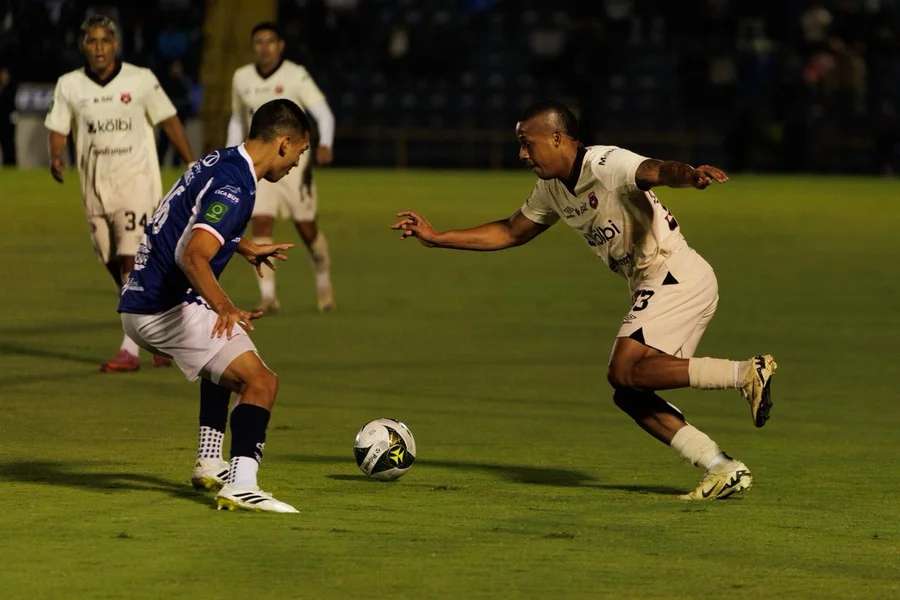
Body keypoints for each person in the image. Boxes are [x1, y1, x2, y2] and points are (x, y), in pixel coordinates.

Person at [392, 100, 778, 500]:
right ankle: (721, 466)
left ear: (557, 138)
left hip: (675, 275)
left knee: (622, 369)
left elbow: (657, 170)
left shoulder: (605, 164)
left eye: (527, 143)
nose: (522, 154)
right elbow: (511, 231)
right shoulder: (551, 189)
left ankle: (744, 373)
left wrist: (690, 176)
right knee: (628, 391)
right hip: (659, 283)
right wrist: (437, 238)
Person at [118, 98, 312, 513]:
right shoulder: (237, 186)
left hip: (140, 301)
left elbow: (189, 220)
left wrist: (245, 247)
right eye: (300, 151)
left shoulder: (221, 161)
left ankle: (210, 459)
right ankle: (242, 484)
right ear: (284, 143)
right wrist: (224, 306)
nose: (298, 162)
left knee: (225, 354)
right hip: (164, 308)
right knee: (261, 383)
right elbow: (193, 255)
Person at [44, 15, 196, 372]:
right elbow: (58, 127)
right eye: (92, 41)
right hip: (96, 187)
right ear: (83, 45)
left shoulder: (140, 79)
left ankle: (130, 350)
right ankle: (159, 326)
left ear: (115, 44)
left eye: (105, 40)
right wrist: (55, 155)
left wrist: (190, 162)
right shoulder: (69, 84)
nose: (99, 48)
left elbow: (169, 120)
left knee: (131, 259)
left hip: (136, 182)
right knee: (115, 264)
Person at [227, 21, 336, 314]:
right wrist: (231, 154)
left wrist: (326, 143)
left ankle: (322, 275)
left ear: (281, 45)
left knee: (307, 228)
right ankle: (268, 295)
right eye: (259, 42)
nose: (265, 47)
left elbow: (324, 113)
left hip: (293, 165)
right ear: (253, 47)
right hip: (260, 163)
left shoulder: (295, 75)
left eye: (270, 41)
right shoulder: (241, 78)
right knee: (261, 222)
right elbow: (237, 118)